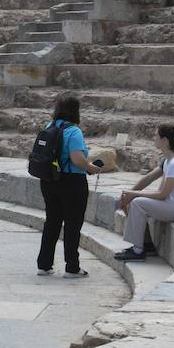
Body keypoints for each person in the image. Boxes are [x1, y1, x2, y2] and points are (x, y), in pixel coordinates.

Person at [35, 93, 104, 278]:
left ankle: (44, 264)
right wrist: (91, 168)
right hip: (72, 182)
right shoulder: (73, 131)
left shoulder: (49, 126)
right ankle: (72, 267)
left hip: (49, 180)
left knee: (52, 221)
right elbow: (77, 159)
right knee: (73, 224)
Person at [116, 124, 174, 262]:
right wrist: (129, 194)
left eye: (156, 135)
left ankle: (138, 250)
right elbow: (148, 178)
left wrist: (134, 195)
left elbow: (162, 194)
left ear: (164, 140)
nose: (153, 138)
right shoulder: (168, 161)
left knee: (138, 203)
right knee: (134, 201)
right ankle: (147, 244)